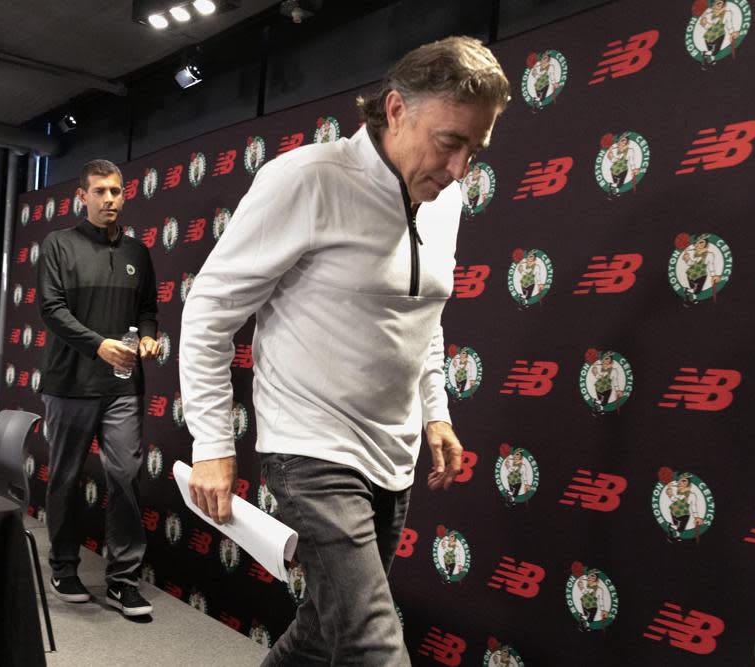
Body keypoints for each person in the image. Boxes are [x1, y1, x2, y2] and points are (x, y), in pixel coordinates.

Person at [179, 36, 508, 666]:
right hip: (310, 447)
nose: (462, 167)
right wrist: (214, 445)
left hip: (391, 451)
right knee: (373, 647)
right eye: (450, 142)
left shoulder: (447, 199)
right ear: (395, 109)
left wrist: (434, 410)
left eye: (475, 148)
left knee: (324, 632)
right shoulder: (308, 180)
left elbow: (422, 312)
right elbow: (209, 312)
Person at [37, 159, 160, 618]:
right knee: (65, 478)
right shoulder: (58, 245)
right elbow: (51, 310)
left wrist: (148, 334)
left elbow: (148, 307)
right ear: (82, 197)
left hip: (122, 388)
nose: (110, 199)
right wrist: (99, 346)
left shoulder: (138, 252)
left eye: (117, 191)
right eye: (101, 192)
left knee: (125, 478)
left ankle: (123, 580)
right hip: (68, 385)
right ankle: (64, 568)